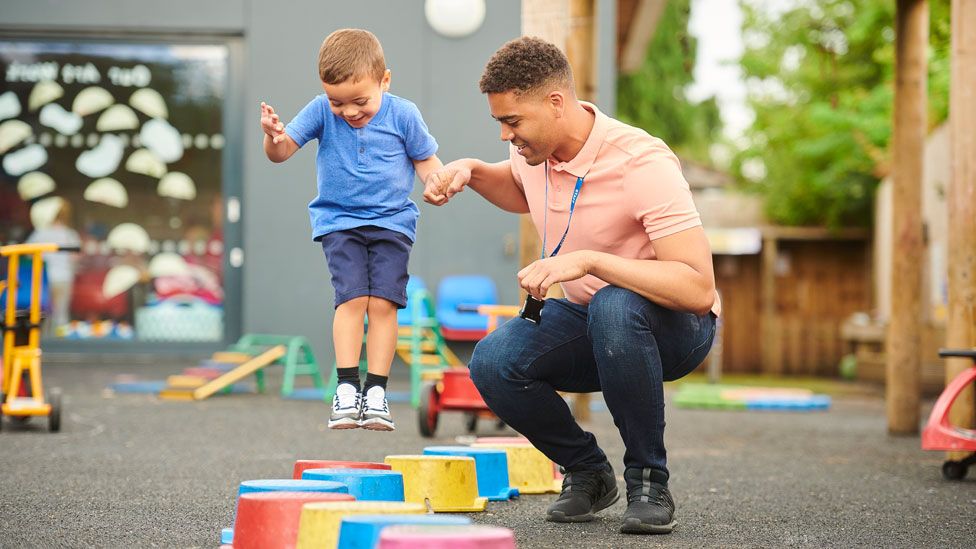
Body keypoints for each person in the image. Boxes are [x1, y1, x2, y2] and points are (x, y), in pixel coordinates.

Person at [424, 37, 720, 534]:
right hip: (595, 319)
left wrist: (588, 261)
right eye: (499, 122)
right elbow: (519, 188)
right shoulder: (533, 153)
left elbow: (697, 289)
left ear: (555, 103)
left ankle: (649, 481)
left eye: (512, 121)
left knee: (614, 304)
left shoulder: (641, 163)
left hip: (675, 326)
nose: (505, 134)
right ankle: (588, 472)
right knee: (494, 362)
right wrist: (471, 172)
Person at [261, 28, 442, 431]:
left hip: (393, 223)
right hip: (339, 221)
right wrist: (273, 137)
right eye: (337, 101)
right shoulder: (320, 111)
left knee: (384, 305)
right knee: (352, 300)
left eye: (360, 101)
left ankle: (376, 392)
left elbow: (426, 161)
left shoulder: (404, 114)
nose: (349, 111)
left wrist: (437, 182)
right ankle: (346, 389)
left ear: (385, 80)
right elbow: (281, 152)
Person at [26, 198, 81, 334]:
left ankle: (43, 339)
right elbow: (76, 256)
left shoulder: (40, 233)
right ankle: (60, 343)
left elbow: (27, 252)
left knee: (43, 311)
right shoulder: (69, 234)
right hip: (64, 277)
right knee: (61, 312)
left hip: (43, 278)